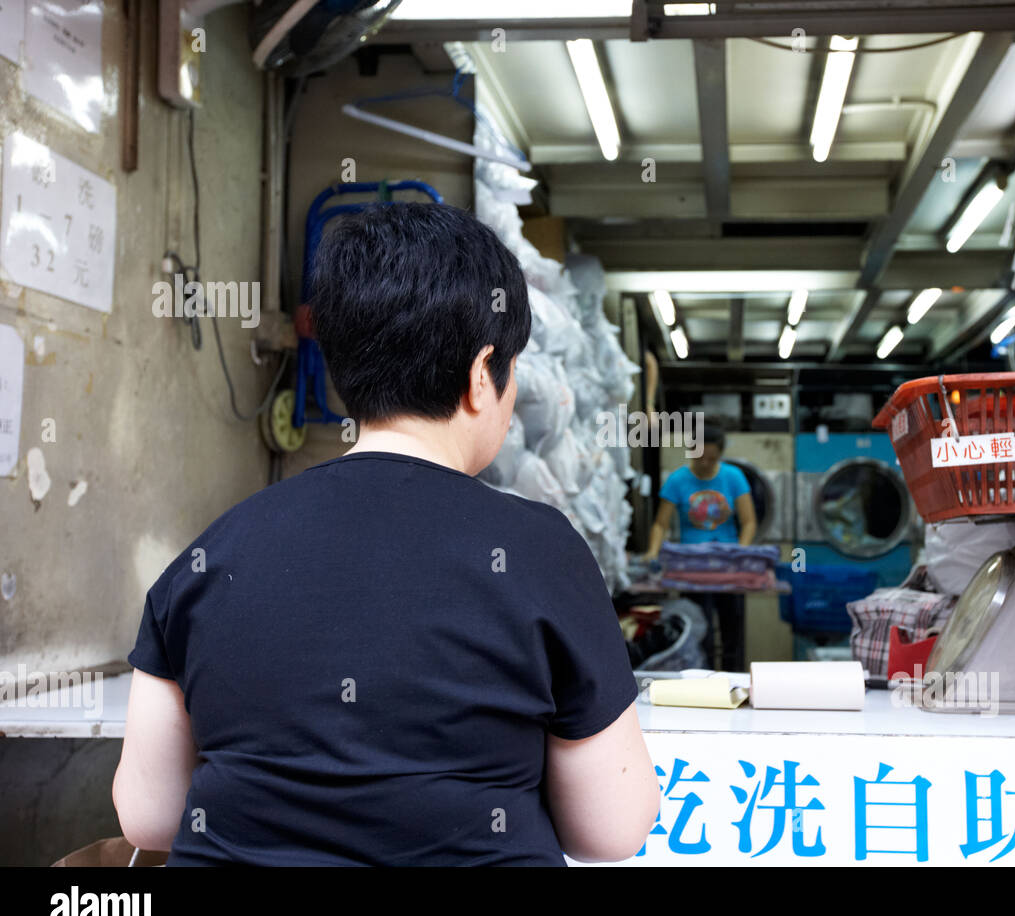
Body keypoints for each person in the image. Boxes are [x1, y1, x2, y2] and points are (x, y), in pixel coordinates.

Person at [113, 201, 659, 866]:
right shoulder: (541, 552)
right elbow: (612, 830)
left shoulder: (212, 552)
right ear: (481, 376)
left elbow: (148, 817)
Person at [645, 422, 757, 672]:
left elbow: (748, 521)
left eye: (712, 458)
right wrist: (653, 551)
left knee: (733, 633)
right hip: (692, 568)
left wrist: (741, 552)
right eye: (700, 457)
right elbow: (660, 524)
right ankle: (702, 682)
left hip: (729, 566)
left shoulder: (733, 477)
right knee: (699, 631)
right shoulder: (678, 480)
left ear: (721, 454)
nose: (706, 463)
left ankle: (733, 681)